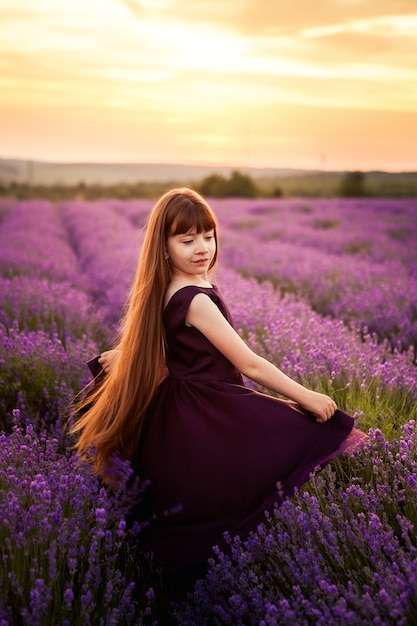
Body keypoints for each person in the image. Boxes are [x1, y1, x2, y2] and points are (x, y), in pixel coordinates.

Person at [72, 187, 366, 592]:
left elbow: (160, 346)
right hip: (206, 410)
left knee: (195, 502)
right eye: (186, 239)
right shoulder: (196, 300)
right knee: (267, 462)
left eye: (207, 236)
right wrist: (305, 396)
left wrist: (122, 355)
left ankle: (165, 581)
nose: (201, 248)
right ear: (164, 245)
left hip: (181, 412)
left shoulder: (165, 288)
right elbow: (249, 363)